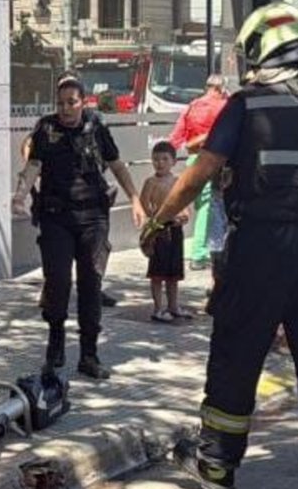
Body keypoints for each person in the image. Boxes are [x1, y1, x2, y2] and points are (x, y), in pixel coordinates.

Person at [142, 2, 298, 489]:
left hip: (259, 252)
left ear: (260, 52)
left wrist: (159, 218)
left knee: (237, 355)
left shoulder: (245, 107)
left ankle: (219, 469)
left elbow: (203, 171)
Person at [13, 75, 145, 379]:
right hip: (56, 216)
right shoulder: (46, 128)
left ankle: (89, 354)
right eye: (60, 103)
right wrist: (20, 196)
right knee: (57, 282)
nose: (65, 109)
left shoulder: (95, 126)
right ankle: (56, 341)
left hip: (93, 218)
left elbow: (116, 164)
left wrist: (135, 199)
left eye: (71, 102)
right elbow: (33, 165)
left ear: (83, 102)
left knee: (91, 285)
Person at [168, 73, 230, 271]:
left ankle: (202, 251)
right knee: (209, 207)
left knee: (201, 205)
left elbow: (177, 137)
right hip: (214, 160)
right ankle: (200, 253)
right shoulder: (224, 106)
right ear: (220, 88)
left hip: (193, 160)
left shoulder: (192, 106)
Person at [140, 140, 190, 322]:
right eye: (155, 159)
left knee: (173, 272)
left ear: (173, 161)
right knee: (157, 272)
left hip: (175, 230)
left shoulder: (178, 181)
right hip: (159, 231)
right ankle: (158, 308)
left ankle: (174, 305)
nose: (159, 163)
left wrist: (184, 215)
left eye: (164, 159)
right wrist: (154, 220)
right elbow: (145, 204)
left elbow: (184, 204)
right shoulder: (150, 182)